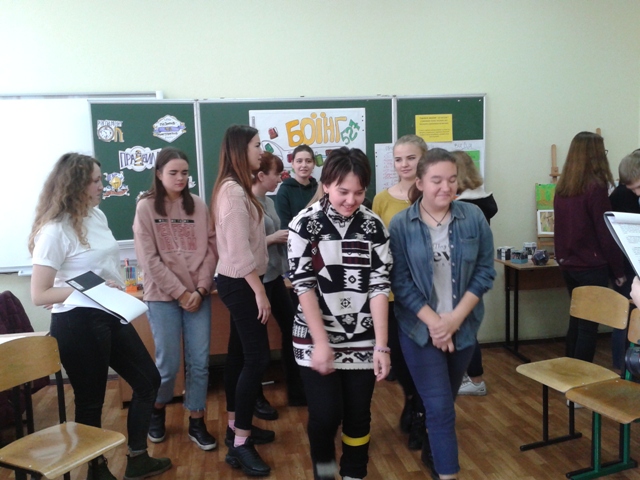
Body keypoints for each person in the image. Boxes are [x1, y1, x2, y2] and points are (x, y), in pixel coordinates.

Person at [29, 153, 172, 480]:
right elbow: (40, 294)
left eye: (100, 178)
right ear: (75, 185)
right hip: (76, 323)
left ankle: (137, 458)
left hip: (108, 314)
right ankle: (97, 470)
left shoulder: (96, 215)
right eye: (95, 180)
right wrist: (88, 291)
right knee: (91, 401)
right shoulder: (54, 231)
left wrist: (107, 288)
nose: (101, 186)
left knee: (148, 381)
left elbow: (101, 269)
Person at [389, 148, 495, 480]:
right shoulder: (401, 225)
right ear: (420, 182)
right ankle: (447, 473)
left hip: (462, 329)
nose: (445, 187)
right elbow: (400, 282)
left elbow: (485, 272)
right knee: (439, 408)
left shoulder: (473, 217)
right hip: (420, 331)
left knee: (445, 403)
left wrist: (454, 320)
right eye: (436, 180)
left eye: (451, 180)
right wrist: (437, 324)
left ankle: (433, 450)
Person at [288, 147, 392, 480]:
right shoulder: (304, 224)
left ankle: (353, 474)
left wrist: (381, 345)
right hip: (314, 336)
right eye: (343, 191)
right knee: (325, 416)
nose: (351, 200)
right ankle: (325, 473)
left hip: (363, 337)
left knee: (358, 416)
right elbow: (303, 286)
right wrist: (321, 342)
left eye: (359, 192)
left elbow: (379, 286)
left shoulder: (373, 225)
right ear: (326, 185)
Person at [132, 147, 218, 450]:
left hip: (198, 296)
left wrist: (201, 290)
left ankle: (197, 419)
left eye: (184, 172)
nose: (180, 178)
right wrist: (181, 293)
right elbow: (149, 260)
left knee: (199, 363)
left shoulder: (198, 205)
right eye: (173, 172)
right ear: (158, 174)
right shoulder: (146, 208)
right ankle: (157, 410)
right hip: (163, 297)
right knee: (167, 365)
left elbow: (211, 250)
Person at [210, 125, 275, 477]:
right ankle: (241, 443)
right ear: (240, 150)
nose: (261, 151)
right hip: (241, 283)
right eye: (256, 145)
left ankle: (236, 427)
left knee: (238, 355)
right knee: (257, 358)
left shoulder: (236, 188)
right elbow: (237, 251)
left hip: (242, 281)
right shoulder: (233, 192)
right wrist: (259, 291)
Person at [372, 134, 427, 451]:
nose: (404, 164)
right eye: (398, 159)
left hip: (427, 297)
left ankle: (421, 415)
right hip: (392, 295)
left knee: (424, 359)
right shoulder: (381, 200)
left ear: (424, 159)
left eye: (411, 157)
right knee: (401, 360)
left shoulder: (433, 194)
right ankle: (411, 399)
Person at [554, 131, 625, 363]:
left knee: (576, 320)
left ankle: (569, 372)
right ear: (595, 155)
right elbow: (605, 232)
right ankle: (580, 378)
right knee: (588, 325)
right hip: (591, 266)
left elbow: (560, 229)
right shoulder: (596, 187)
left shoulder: (563, 188)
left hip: (569, 265)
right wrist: (618, 271)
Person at [251, 151, 306, 406]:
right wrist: (272, 238)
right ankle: (255, 397)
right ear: (262, 176)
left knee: (292, 328)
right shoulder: (246, 203)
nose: (281, 179)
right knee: (255, 343)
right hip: (255, 281)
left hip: (274, 276)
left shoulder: (269, 202)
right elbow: (240, 248)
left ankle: (297, 390)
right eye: (277, 174)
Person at [450, 150, 498, 396]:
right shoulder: (482, 199)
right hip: (473, 272)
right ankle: (469, 376)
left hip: (464, 274)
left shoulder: (465, 206)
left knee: (465, 328)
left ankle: (476, 379)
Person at [609, 149, 640, 371]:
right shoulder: (624, 197)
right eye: (633, 190)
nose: (637, 194)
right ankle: (622, 367)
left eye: (639, 187)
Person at [275, 144, 319, 228]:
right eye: (299, 161)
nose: (304, 165)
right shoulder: (285, 190)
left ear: (314, 164)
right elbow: (284, 224)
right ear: (292, 164)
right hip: (293, 235)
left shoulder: (319, 189)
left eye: (308, 161)